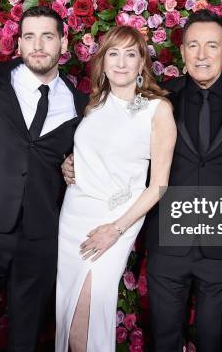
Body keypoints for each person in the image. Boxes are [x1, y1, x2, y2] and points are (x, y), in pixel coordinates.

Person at [62, 9, 222, 351]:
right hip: (167, 245)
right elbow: (119, 147)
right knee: (163, 339)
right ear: (183, 51)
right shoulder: (158, 99)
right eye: (193, 46)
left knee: (213, 339)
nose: (202, 55)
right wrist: (73, 163)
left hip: (221, 247)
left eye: (211, 46)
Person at [0, 6, 89, 352]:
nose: (38, 45)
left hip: (41, 236)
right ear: (18, 44)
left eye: (47, 36)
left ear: (63, 43)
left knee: (27, 338)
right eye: (29, 37)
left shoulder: (80, 105)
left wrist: (76, 164)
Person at [55, 26, 176, 352]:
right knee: (67, 315)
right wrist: (69, 162)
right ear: (103, 61)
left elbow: (158, 186)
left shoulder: (156, 109)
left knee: (88, 313)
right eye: (114, 53)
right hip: (74, 216)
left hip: (114, 221)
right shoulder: (94, 104)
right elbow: (92, 152)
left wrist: (116, 229)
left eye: (131, 54)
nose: (121, 62)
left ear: (141, 65)